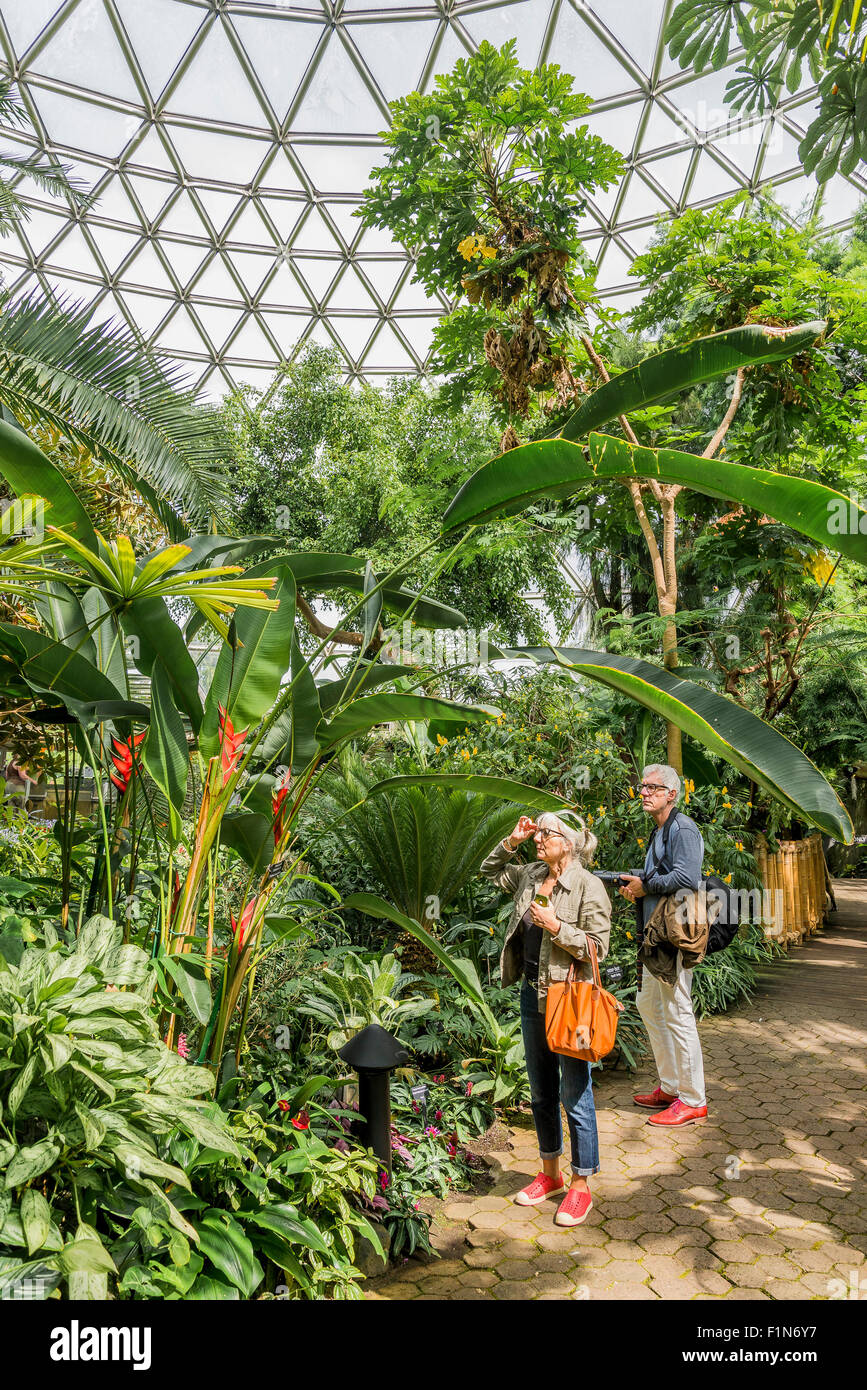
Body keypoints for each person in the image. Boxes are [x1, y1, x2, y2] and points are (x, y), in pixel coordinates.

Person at [480, 810, 611, 1227]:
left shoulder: (589, 887)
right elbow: (489, 870)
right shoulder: (532, 874)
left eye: (545, 832)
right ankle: (551, 1174)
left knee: (575, 1093)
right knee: (540, 1092)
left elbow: (597, 950)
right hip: (532, 996)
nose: (539, 837)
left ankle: (581, 1185)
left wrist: (558, 927)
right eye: (537, 831)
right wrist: (513, 841)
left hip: (569, 1000)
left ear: (567, 843)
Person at [619, 764, 708, 1127]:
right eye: (642, 787)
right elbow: (661, 877)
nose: (644, 793)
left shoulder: (682, 828)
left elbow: (688, 877)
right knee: (650, 1006)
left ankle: (693, 1099)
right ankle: (671, 1087)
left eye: (653, 788)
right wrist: (636, 886)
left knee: (677, 1011)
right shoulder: (659, 831)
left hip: (675, 936)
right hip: (657, 935)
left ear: (671, 793)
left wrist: (646, 887)